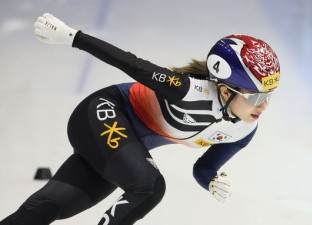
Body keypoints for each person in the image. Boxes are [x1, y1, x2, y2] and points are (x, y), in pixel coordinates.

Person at [0, 13, 280, 225]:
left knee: (51, 206)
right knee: (149, 188)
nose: (264, 106)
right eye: (256, 97)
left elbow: (204, 167)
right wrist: (73, 37)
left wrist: (211, 181)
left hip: (124, 144)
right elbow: (131, 63)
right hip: (104, 111)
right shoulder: (188, 90)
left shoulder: (244, 130)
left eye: (270, 95)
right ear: (224, 90)